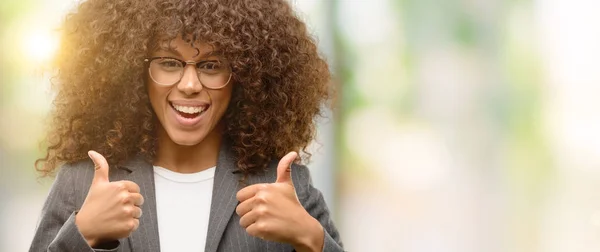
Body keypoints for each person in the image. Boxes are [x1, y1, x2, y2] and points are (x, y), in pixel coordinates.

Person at [28, 0, 344, 251]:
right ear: (131, 72)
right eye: (168, 62)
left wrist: (310, 239)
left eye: (211, 65)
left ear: (246, 75)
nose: (189, 84)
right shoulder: (81, 183)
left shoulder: (285, 187)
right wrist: (80, 236)